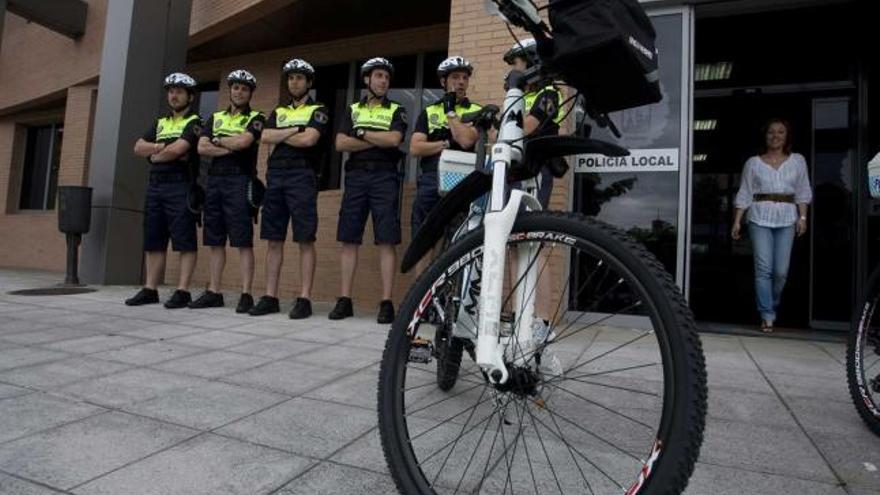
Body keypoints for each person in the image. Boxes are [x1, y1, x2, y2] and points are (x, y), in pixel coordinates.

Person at [249, 58, 330, 319]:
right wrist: (295, 128)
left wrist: (283, 133)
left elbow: (310, 139)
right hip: (276, 177)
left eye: (299, 78)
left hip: (302, 176)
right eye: (291, 78)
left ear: (308, 82)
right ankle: (270, 296)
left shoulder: (319, 109)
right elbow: (264, 137)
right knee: (274, 240)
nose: (294, 82)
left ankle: (304, 297)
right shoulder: (279, 111)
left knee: (305, 239)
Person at [332, 57, 408, 323]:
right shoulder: (352, 109)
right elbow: (341, 143)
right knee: (349, 239)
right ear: (367, 80)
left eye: (386, 77)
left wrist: (361, 134)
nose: (383, 81)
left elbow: (394, 140)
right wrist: (375, 140)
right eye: (378, 76)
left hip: (385, 178)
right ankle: (344, 300)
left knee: (387, 239)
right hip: (355, 177)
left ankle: (386, 302)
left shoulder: (397, 110)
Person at [190, 70, 265, 313]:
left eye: (244, 88)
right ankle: (214, 291)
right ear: (230, 90)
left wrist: (219, 142)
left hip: (240, 181)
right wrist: (230, 146)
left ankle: (246, 294)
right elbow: (201, 147)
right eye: (236, 88)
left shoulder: (257, 117)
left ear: (250, 92)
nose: (239, 92)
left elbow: (245, 143)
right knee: (215, 241)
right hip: (214, 182)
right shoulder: (215, 117)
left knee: (243, 241)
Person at [125, 73, 202, 309]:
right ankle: (150, 289)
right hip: (156, 186)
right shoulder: (160, 123)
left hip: (181, 185)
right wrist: (160, 148)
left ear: (190, 96)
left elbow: (179, 149)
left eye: (179, 91)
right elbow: (138, 147)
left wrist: (156, 153)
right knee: (154, 240)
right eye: (170, 91)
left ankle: (183, 290)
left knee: (184, 240)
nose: (174, 95)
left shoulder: (196, 122)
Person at [732, 118, 812, 332]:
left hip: (787, 218)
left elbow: (803, 191)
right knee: (764, 268)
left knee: (781, 271)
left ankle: (772, 303)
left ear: (787, 136)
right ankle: (767, 314)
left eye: (780, 132)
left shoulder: (797, 161)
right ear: (765, 136)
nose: (775, 136)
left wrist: (802, 218)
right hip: (759, 217)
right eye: (771, 132)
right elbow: (745, 192)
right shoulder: (753, 163)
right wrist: (737, 220)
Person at [409, 56, 481, 275]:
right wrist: (446, 143)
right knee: (424, 241)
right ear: (443, 82)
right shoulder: (429, 112)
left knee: (459, 241)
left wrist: (450, 113)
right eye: (455, 77)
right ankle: (421, 305)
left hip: (464, 179)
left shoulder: (476, 110)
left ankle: (452, 302)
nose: (460, 82)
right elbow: (415, 148)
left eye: (464, 78)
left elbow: (467, 140)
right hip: (432, 178)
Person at [503, 38, 564, 208]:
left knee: (529, 223)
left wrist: (504, 127)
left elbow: (528, 126)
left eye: (516, 64)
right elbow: (498, 136)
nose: (513, 71)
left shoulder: (549, 93)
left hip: (536, 167)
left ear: (532, 62)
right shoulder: (520, 97)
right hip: (515, 167)